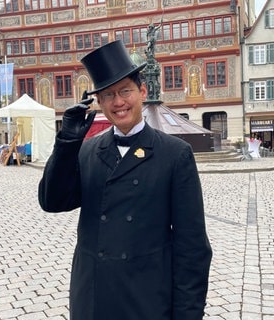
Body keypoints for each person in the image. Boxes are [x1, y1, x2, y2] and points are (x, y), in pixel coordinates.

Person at [38, 40, 212, 320]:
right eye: (108, 95)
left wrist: (187, 315)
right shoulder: (87, 150)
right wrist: (67, 142)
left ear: (142, 91)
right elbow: (52, 201)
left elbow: (192, 248)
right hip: (93, 298)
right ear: (99, 102)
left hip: (146, 300)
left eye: (125, 91)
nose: (118, 102)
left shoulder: (175, 155)